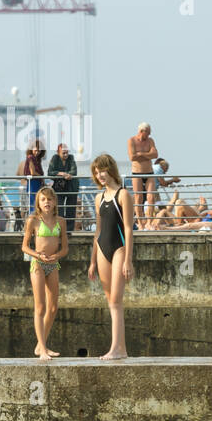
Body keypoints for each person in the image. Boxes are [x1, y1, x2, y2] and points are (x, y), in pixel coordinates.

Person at [88, 153, 135, 359]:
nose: (100, 176)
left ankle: (115, 348)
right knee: (110, 301)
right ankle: (121, 350)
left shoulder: (123, 194)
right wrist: (92, 262)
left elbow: (128, 228)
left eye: (103, 171)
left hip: (119, 248)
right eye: (97, 173)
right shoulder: (98, 197)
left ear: (111, 170)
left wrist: (128, 260)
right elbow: (97, 231)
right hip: (101, 249)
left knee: (116, 300)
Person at [22, 184, 69, 359]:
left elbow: (65, 249)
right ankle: (42, 349)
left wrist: (56, 256)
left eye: (50, 199)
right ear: (38, 203)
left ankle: (40, 345)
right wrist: (38, 255)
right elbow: (25, 246)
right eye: (43, 199)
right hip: (38, 264)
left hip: (53, 264)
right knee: (40, 306)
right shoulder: (33, 220)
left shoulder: (61, 222)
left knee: (53, 307)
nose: (47, 202)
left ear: (55, 202)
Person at [128, 122, 158, 225]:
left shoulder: (150, 141)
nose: (149, 135)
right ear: (142, 131)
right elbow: (132, 157)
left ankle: (149, 222)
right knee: (138, 197)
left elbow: (155, 154)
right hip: (137, 173)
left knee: (151, 197)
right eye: (148, 133)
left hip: (149, 172)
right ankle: (140, 223)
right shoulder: (131, 141)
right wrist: (148, 155)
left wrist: (141, 154)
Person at [48, 143, 79, 228]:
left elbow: (74, 172)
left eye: (67, 152)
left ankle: (69, 231)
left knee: (71, 209)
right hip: (59, 188)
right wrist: (61, 173)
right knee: (59, 209)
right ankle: (59, 228)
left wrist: (67, 175)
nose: (66, 155)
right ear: (58, 152)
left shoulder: (71, 157)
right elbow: (50, 172)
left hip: (71, 187)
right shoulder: (55, 158)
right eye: (63, 153)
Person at [23, 140, 45, 211]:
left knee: (37, 203)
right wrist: (41, 177)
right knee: (34, 204)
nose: (37, 152)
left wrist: (42, 180)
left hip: (37, 183)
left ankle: (36, 220)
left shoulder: (37, 159)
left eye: (39, 151)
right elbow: (33, 172)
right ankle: (33, 220)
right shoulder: (30, 157)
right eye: (36, 150)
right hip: (33, 183)